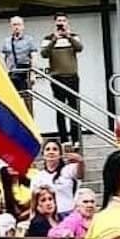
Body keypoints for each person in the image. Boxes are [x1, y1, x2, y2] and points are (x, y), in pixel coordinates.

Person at [40, 13, 84, 146]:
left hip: (72, 77)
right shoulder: (48, 38)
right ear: (55, 23)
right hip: (57, 78)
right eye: (59, 21)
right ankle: (64, 139)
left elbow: (80, 48)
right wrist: (55, 39)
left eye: (63, 21)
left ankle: (76, 138)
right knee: (60, 109)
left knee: (74, 109)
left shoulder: (73, 36)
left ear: (67, 22)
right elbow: (44, 54)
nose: (61, 23)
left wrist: (69, 36)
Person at [28, 140, 84, 215]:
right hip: (47, 216)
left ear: (60, 154)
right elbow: (34, 201)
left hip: (68, 214)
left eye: (55, 149)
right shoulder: (37, 177)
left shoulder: (68, 170)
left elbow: (80, 174)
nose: (51, 152)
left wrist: (81, 161)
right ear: (43, 154)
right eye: (47, 149)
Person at [1, 16, 38, 113]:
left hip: (25, 73)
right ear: (11, 26)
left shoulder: (29, 40)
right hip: (12, 74)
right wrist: (4, 72)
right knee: (12, 102)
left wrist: (33, 74)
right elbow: (4, 58)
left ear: (23, 26)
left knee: (27, 101)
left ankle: (29, 124)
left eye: (19, 24)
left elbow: (34, 57)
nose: (16, 27)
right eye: (14, 25)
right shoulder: (7, 41)